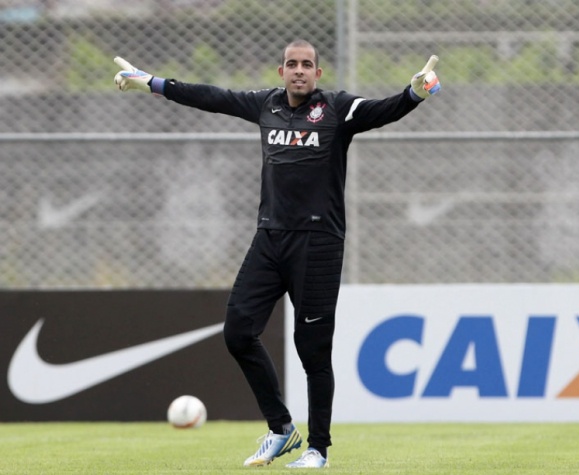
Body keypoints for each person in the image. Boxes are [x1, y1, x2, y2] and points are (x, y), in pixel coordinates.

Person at [113, 39, 440, 469]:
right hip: (269, 241)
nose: (299, 70)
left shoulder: (337, 109)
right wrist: (153, 83)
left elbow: (384, 109)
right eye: (292, 64)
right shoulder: (266, 106)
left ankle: (317, 450)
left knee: (313, 351)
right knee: (238, 332)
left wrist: (415, 93)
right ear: (281, 70)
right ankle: (282, 430)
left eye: (307, 65)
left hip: (318, 245)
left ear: (318, 74)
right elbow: (211, 97)